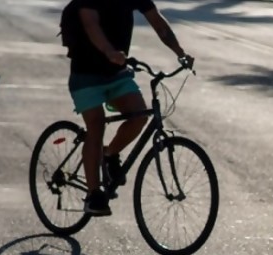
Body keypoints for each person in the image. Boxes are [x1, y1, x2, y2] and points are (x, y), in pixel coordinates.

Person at [62, 0, 193, 215]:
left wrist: (180, 53)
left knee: (139, 116)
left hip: (117, 74)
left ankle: (110, 154)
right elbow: (90, 24)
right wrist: (110, 52)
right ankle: (93, 195)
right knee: (96, 126)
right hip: (85, 74)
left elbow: (158, 23)